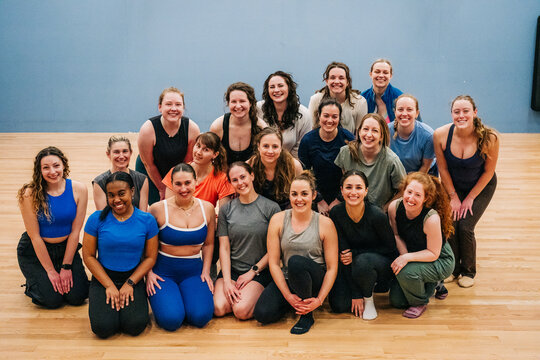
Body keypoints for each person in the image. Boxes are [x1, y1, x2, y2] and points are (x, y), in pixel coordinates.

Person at [254, 171, 338, 335]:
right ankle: (297, 303)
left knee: (296, 262)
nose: (299, 199)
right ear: (289, 196)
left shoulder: (325, 223)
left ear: (313, 195)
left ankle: (307, 314)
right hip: (289, 277)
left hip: (315, 279)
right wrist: (287, 296)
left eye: (304, 194)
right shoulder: (278, 219)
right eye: (294, 194)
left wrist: (320, 300)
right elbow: (273, 263)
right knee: (262, 314)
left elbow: (332, 267)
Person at [83, 172, 159, 338]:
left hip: (132, 277)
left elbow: (150, 258)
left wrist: (130, 283)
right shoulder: (96, 219)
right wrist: (109, 285)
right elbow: (88, 256)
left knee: (135, 326)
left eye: (121, 193)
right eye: (111, 195)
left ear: (132, 191)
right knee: (103, 328)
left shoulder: (147, 220)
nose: (116, 200)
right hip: (104, 277)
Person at [433, 95, 499, 288]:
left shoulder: (489, 138)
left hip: (481, 186)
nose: (461, 115)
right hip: (452, 185)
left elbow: (489, 172)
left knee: (466, 226)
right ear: (451, 114)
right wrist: (453, 197)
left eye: (466, 111)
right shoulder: (441, 135)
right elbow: (442, 169)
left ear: (474, 113)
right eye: (456, 112)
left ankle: (468, 271)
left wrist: (470, 198)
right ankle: (452, 269)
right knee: (451, 222)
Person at [17, 146, 89, 309]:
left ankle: (63, 274)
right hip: (36, 250)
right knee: (52, 300)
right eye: (46, 167)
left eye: (56, 165)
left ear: (64, 165)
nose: (52, 171)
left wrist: (66, 267)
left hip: (66, 249)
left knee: (77, 297)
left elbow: (75, 232)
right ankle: (33, 282)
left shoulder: (79, 189)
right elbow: (34, 237)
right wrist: (50, 271)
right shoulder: (29, 194)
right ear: (39, 170)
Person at [146, 163, 215, 331]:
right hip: (163, 273)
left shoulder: (208, 208)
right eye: (178, 184)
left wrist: (206, 271)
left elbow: (209, 243)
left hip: (193, 271)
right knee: (171, 320)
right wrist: (148, 274)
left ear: (196, 182)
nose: (183, 188)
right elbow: (144, 245)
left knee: (201, 317)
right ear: (171, 184)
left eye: (187, 183)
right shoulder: (156, 209)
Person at [214, 162, 281, 319]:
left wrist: (252, 272)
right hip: (232, 270)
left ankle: (258, 293)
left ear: (252, 176)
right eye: (235, 180)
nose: (240, 183)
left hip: (259, 271)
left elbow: (275, 250)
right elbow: (224, 247)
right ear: (231, 184)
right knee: (218, 308)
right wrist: (227, 280)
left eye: (243, 177)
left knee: (241, 311)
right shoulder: (226, 210)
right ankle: (240, 293)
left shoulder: (271, 208)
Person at [328, 170, 397, 320]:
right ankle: (362, 287)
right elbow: (345, 254)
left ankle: (369, 298)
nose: (353, 192)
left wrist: (356, 253)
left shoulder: (377, 215)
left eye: (358, 188)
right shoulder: (336, 213)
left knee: (362, 261)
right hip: (352, 263)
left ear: (366, 191)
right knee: (339, 306)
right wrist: (354, 293)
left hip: (380, 262)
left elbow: (391, 249)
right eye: (348, 187)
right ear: (341, 190)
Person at [388, 172, 455, 318]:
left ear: (426, 198)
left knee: (406, 272)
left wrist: (406, 259)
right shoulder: (394, 207)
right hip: (415, 253)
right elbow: (396, 235)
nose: (411, 198)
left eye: (418, 195)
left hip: (440, 259)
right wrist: (405, 256)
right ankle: (433, 284)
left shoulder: (431, 218)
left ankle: (420, 302)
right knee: (397, 301)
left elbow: (433, 253)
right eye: (409, 192)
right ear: (403, 191)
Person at [136, 87, 200, 205]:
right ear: (160, 107)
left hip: (178, 169)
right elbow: (149, 164)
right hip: (150, 170)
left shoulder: (192, 129)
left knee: (179, 203)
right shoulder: (147, 129)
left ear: (183, 108)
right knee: (159, 207)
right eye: (168, 104)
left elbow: (187, 163)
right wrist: (162, 189)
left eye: (178, 104)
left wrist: (176, 186)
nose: (173, 108)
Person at [335, 113, 406, 209]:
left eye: (375, 131)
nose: (369, 134)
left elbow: (403, 190)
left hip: (378, 213)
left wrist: (385, 208)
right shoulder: (346, 153)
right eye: (365, 129)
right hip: (351, 207)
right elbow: (344, 182)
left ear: (381, 136)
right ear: (359, 132)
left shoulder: (391, 161)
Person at [299, 98, 355, 215]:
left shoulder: (348, 139)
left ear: (339, 118)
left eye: (334, 116)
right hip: (315, 195)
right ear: (319, 116)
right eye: (326, 116)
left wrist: (339, 200)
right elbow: (304, 174)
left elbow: (353, 174)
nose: (330, 120)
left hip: (345, 195)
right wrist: (319, 200)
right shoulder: (308, 140)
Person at [161, 132, 235, 207]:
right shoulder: (175, 172)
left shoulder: (222, 179)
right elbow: (169, 207)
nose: (199, 152)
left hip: (206, 217)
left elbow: (224, 213)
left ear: (215, 154)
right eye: (198, 146)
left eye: (206, 150)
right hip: (178, 217)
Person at [257, 71, 312, 158]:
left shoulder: (304, 114)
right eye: (272, 87)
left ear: (289, 88)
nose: (276, 90)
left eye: (280, 86)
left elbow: (301, 149)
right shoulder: (258, 109)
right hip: (261, 161)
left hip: (290, 164)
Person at [210, 82, 267, 165]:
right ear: (228, 104)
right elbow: (210, 159)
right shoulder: (218, 127)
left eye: (242, 101)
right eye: (233, 102)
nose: (238, 106)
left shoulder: (262, 127)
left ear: (250, 103)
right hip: (224, 175)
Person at [248, 127, 303, 210]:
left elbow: (303, 191)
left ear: (281, 148)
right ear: (258, 147)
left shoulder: (294, 166)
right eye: (266, 146)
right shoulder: (249, 165)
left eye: (275, 146)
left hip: (287, 210)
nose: (270, 151)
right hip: (259, 211)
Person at [308, 61, 368, 134]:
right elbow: (311, 129)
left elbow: (360, 132)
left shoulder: (360, 102)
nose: (336, 81)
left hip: (350, 143)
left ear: (347, 82)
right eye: (332, 78)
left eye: (341, 78)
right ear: (327, 81)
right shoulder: (316, 100)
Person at [93, 135, 149, 211]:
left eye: (125, 151)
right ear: (108, 154)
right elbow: (103, 217)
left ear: (131, 152)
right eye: (116, 152)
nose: (121, 156)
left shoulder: (142, 179)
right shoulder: (99, 182)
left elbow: (143, 215)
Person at [389, 94, 436, 174]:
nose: (404, 114)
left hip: (423, 176)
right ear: (395, 112)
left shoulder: (428, 135)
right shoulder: (385, 131)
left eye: (409, 110)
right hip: (394, 176)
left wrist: (409, 184)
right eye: (400, 109)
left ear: (417, 113)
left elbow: (425, 166)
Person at [361, 58, 404, 123]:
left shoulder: (400, 98)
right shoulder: (362, 98)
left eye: (385, 72)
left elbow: (415, 124)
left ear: (390, 76)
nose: (381, 75)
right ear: (370, 74)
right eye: (377, 72)